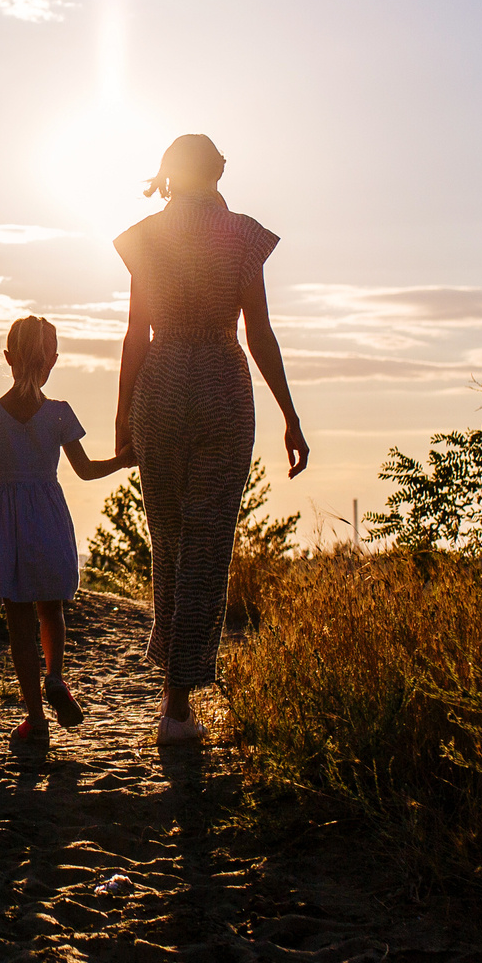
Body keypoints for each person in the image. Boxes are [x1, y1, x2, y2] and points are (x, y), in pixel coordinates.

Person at [112, 134, 308, 747]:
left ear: (171, 174)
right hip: (222, 384)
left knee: (170, 541)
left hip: (161, 382)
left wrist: (122, 415)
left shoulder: (146, 236)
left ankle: (173, 694)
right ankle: (178, 702)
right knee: (207, 545)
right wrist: (290, 415)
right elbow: (259, 332)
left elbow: (136, 333)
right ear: (219, 171)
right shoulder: (243, 236)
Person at [0, 315, 126, 759]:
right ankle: (55, 677)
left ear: (7, 357)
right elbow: (86, 470)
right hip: (48, 516)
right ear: (51, 360)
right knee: (50, 608)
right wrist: (124, 459)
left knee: (19, 622)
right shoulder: (59, 412)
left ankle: (36, 720)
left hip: (5, 519)